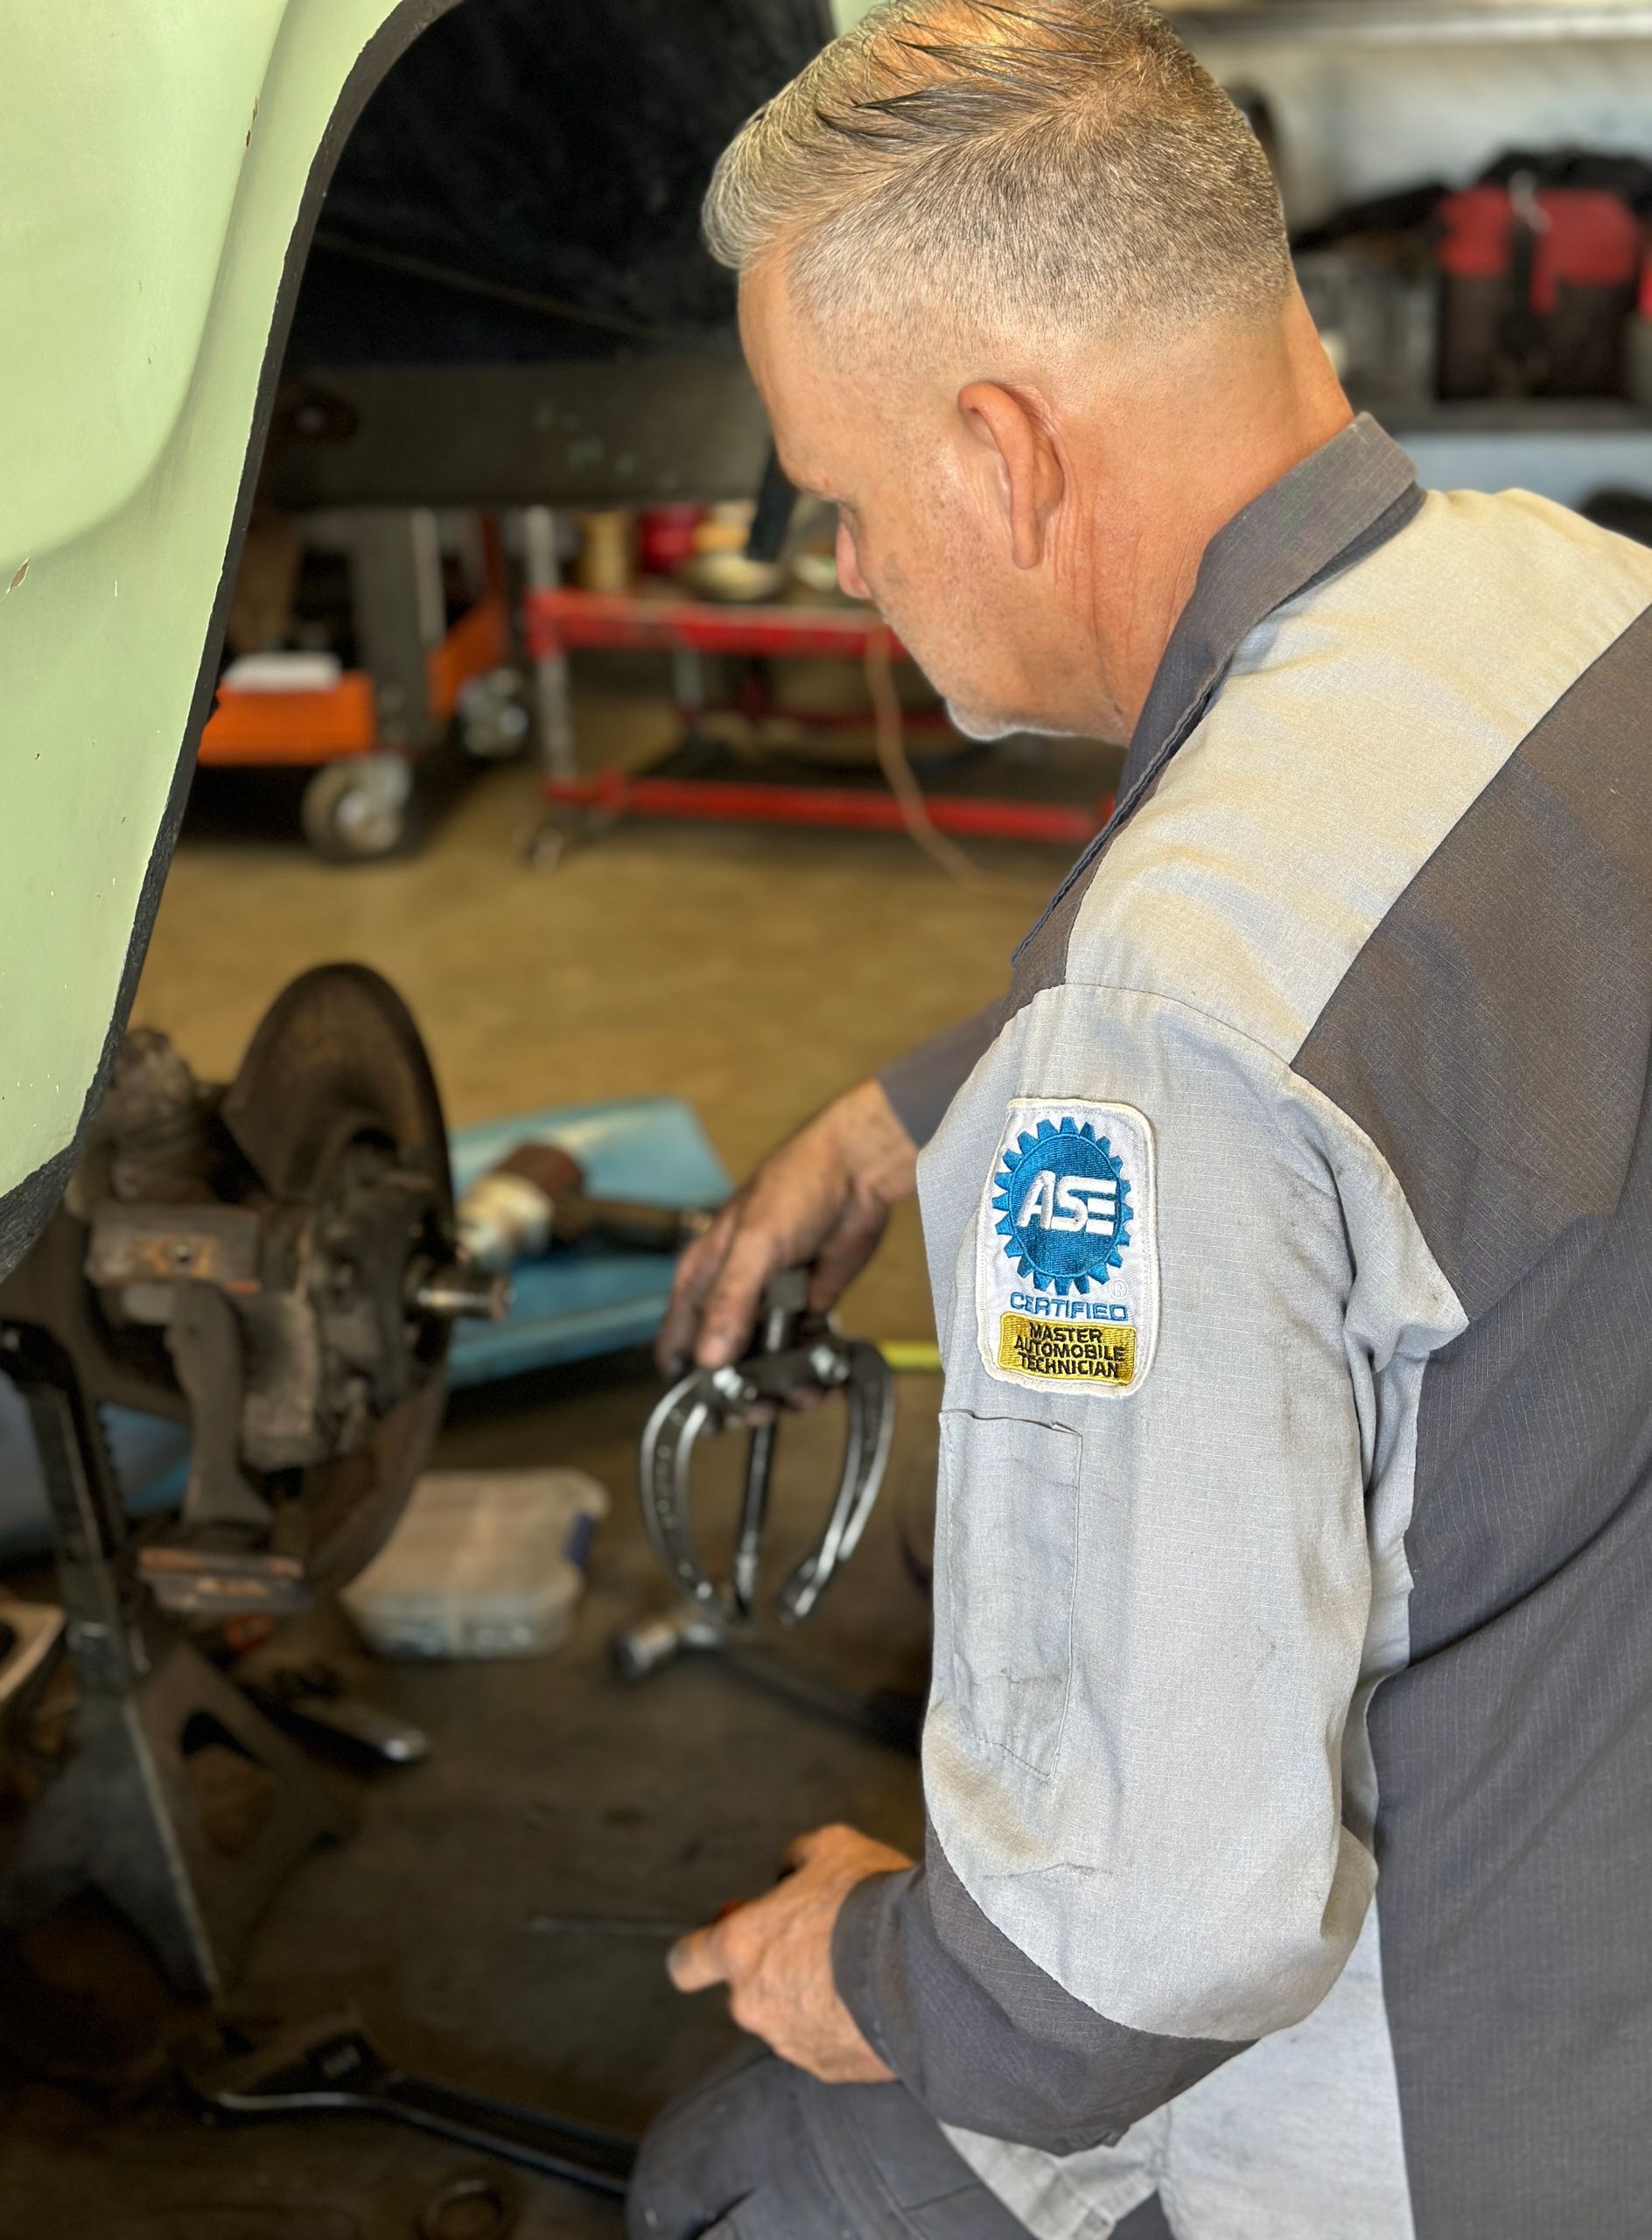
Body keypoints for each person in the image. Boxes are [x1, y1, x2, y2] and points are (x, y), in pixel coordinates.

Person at [629, 6, 1652, 2237]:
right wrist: (925, 1108)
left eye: (841, 499)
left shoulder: (1158, 1033)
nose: (845, 567)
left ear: (1003, 453)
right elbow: (1417, 987)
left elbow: (1136, 1947)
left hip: (1483, 2124)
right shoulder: (1573, 594)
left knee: (734, 2179)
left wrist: (863, 1953)